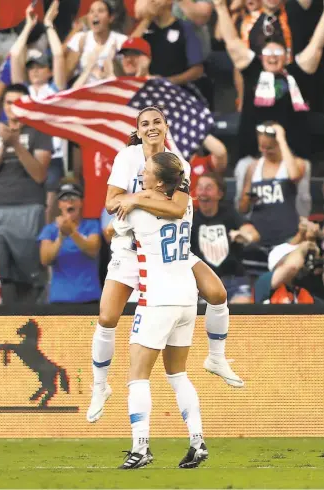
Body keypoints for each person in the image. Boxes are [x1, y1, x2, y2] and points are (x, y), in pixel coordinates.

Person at [87, 105, 244, 426]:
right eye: (145, 123)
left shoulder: (179, 164)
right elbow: (110, 202)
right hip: (131, 248)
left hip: (169, 250)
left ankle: (216, 358)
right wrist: (140, 197)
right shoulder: (126, 158)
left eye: (157, 121)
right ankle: (100, 387)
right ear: (138, 129)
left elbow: (178, 208)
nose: (151, 127)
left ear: (166, 126)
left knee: (217, 293)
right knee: (107, 317)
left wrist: (136, 199)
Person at [113, 151, 208, 469]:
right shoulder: (187, 204)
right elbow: (173, 205)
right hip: (187, 298)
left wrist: (134, 199)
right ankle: (197, 441)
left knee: (137, 376)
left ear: (159, 180)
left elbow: (114, 228)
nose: (141, 174)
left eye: (147, 171)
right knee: (178, 373)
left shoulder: (136, 211)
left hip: (157, 299)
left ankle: (140, 447)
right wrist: (142, 196)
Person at [213, 0, 324, 160]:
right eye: (268, 53)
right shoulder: (253, 70)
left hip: (293, 155)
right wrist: (220, 7)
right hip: (254, 155)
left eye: (278, 54)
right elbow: (232, 42)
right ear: (260, 56)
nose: (272, 57)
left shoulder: (296, 72)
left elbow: (317, 45)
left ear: (287, 57)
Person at [0, 84, 52, 304]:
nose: (12, 107)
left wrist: (16, 144)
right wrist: (1, 147)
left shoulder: (39, 130)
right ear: (3, 106)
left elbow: (39, 174)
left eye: (18, 102)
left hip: (29, 205)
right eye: (8, 102)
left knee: (28, 268)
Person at [10, 1, 67, 223]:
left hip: (53, 155)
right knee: (26, 202)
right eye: (31, 67)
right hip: (24, 152)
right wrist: (28, 25)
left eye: (40, 67)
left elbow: (59, 55)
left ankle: (45, 249)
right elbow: (15, 56)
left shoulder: (55, 91)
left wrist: (49, 25)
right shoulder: (22, 93)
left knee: (50, 204)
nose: (34, 71)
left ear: (49, 71)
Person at [191, 172, 260, 303]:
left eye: (209, 188)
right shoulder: (191, 219)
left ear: (220, 194)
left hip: (234, 279)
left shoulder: (229, 213)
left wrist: (245, 235)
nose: (203, 193)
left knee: (243, 308)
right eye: (200, 188)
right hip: (204, 284)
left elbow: (253, 233)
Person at [239, 122, 305, 249]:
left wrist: (281, 138)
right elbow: (243, 208)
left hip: (288, 235)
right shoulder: (253, 167)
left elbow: (294, 176)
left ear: (280, 145)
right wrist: (249, 198)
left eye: (269, 148)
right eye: (262, 147)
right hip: (259, 234)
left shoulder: (295, 163)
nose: (265, 151)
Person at [38, 182, 102, 304]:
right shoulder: (50, 230)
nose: (69, 202)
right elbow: (45, 259)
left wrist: (72, 232)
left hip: (90, 298)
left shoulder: (91, 225)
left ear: (81, 202)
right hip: (60, 299)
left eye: (74, 198)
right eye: (65, 199)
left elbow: (93, 250)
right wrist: (61, 237)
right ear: (59, 205)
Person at [66, 0, 127, 84]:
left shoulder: (121, 41)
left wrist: (113, 62)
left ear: (110, 18)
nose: (95, 15)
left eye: (101, 11)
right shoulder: (80, 38)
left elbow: (127, 77)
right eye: (91, 11)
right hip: (83, 91)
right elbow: (66, 76)